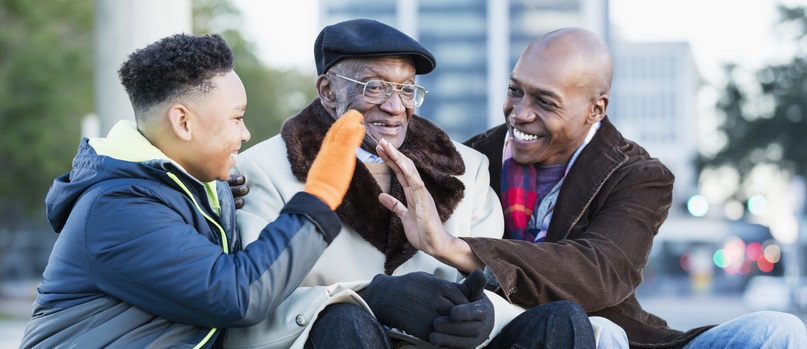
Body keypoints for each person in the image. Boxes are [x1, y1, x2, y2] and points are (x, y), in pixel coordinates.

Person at [378, 27, 807, 348]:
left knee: (780, 330)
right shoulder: (471, 160)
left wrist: (455, 246)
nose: (520, 113)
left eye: (545, 102)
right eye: (515, 91)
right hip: (511, 334)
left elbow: (600, 273)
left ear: (595, 109)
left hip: (621, 336)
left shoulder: (639, 175)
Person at [226, 19, 597, 348]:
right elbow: (252, 304)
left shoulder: (469, 168)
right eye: (374, 87)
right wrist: (366, 297)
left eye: (407, 90)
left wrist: (486, 315)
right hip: (343, 337)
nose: (395, 107)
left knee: (562, 319)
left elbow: (493, 283)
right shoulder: (261, 169)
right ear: (327, 90)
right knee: (345, 321)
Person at [19, 33, 366, 348]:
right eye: (236, 117)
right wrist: (319, 197)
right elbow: (238, 295)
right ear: (183, 122)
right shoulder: (116, 208)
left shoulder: (176, 195)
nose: (245, 134)